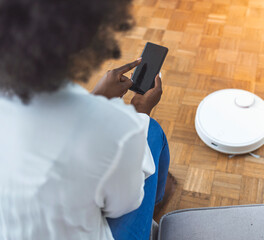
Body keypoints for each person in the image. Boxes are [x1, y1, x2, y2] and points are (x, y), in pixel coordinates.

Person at [0, 0, 174, 239]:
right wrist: (138, 113)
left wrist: (96, 98)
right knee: (151, 132)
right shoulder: (118, 130)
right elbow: (124, 204)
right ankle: (159, 200)